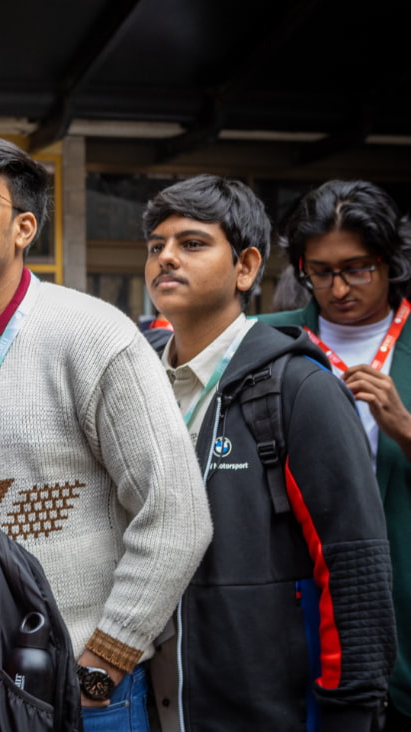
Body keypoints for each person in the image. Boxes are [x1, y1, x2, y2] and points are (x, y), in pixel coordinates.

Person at [0, 134, 211, 731]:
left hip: (77, 692)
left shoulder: (92, 336)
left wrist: (104, 662)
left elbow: (176, 511)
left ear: (24, 228)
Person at [143, 175, 394, 730]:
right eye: (156, 245)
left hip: (266, 706)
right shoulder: (134, 381)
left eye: (191, 243)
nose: (166, 258)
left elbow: (351, 564)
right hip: (154, 702)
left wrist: (351, 710)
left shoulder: (299, 388)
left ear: (246, 267)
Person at [259, 180, 411, 728]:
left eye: (357, 268)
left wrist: (405, 430)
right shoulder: (264, 342)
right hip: (300, 607)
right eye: (319, 271)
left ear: (391, 260)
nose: (338, 287)